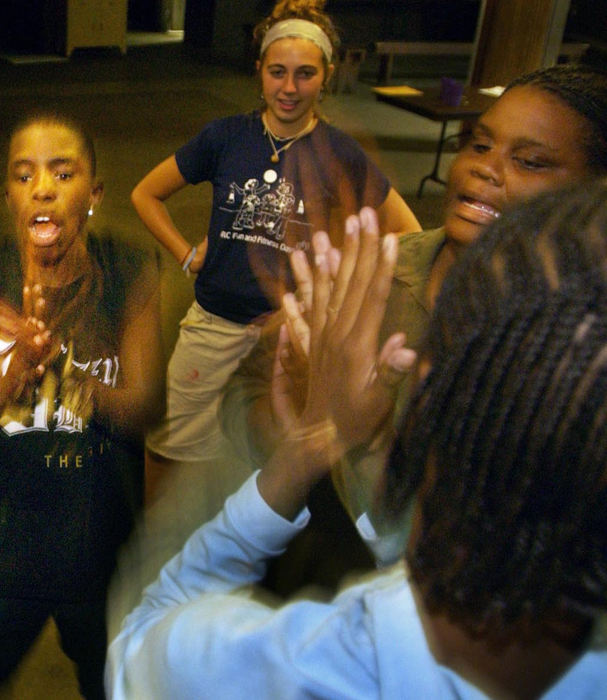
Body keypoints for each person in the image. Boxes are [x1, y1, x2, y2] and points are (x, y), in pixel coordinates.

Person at [108, 183, 607, 698]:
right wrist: (366, 449)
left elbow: (139, 645)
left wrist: (298, 457)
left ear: (432, 391)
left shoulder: (319, 664)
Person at [217, 63, 607, 581]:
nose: (485, 169)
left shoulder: (580, 352)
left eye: (530, 161)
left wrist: (361, 442)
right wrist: (299, 425)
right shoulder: (366, 274)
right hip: (311, 581)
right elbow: (239, 400)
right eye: (479, 144)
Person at [134, 0, 420, 490]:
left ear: (326, 76)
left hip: (283, 339)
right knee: (174, 447)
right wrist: (186, 253)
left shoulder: (338, 152)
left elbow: (408, 232)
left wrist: (332, 285)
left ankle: (244, 547)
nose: (289, 88)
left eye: (305, 74)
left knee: (266, 461)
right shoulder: (226, 137)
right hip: (213, 324)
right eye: (278, 72)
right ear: (260, 72)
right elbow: (146, 193)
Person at [0, 114, 164, 699]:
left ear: (92, 195)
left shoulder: (128, 271)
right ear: (11, 196)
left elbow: (143, 407)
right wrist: (14, 374)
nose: (42, 187)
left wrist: (65, 371)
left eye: (62, 173)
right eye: (24, 175)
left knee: (114, 683)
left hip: (96, 539)